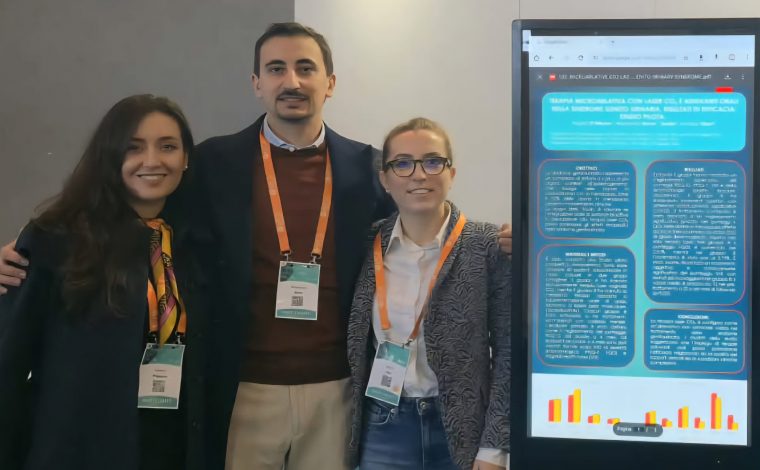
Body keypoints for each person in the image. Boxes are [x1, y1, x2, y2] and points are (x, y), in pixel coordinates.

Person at [0, 22, 512, 470]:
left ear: (330, 83)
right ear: (256, 83)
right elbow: (132, 217)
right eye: (276, 69)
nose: (292, 81)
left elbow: (423, 224)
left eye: (306, 68)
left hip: (336, 389)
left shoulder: (368, 168)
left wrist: (505, 241)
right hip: (240, 387)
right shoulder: (211, 164)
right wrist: (26, 252)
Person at [0, 94, 210, 470]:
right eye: (133, 147)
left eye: (168, 146)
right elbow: (10, 363)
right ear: (110, 156)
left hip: (172, 444)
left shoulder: (197, 241)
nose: (152, 161)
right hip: (79, 448)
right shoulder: (55, 239)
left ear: (186, 158)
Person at [347, 118, 510, 470]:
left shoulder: (487, 245)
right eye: (403, 164)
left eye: (433, 162)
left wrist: (494, 448)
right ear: (385, 179)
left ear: (451, 173)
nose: (419, 175)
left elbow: (508, 352)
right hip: (383, 427)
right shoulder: (365, 244)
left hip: (462, 430)